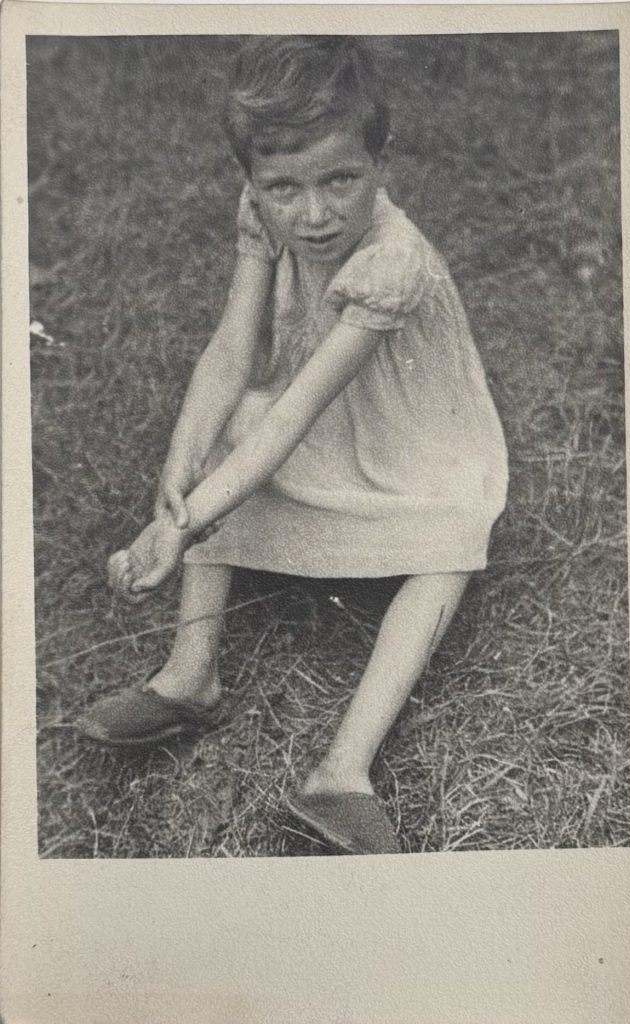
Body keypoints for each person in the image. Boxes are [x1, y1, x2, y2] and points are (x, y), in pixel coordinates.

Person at [75, 36, 509, 856]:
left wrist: (185, 523)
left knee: (455, 529)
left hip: (411, 436)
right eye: (284, 188)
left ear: (384, 159)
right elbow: (233, 353)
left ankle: (342, 772)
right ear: (253, 184)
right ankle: (190, 673)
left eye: (341, 179)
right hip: (313, 418)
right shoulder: (264, 216)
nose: (314, 214)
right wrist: (177, 482)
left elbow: (296, 413)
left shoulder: (393, 261)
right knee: (224, 437)